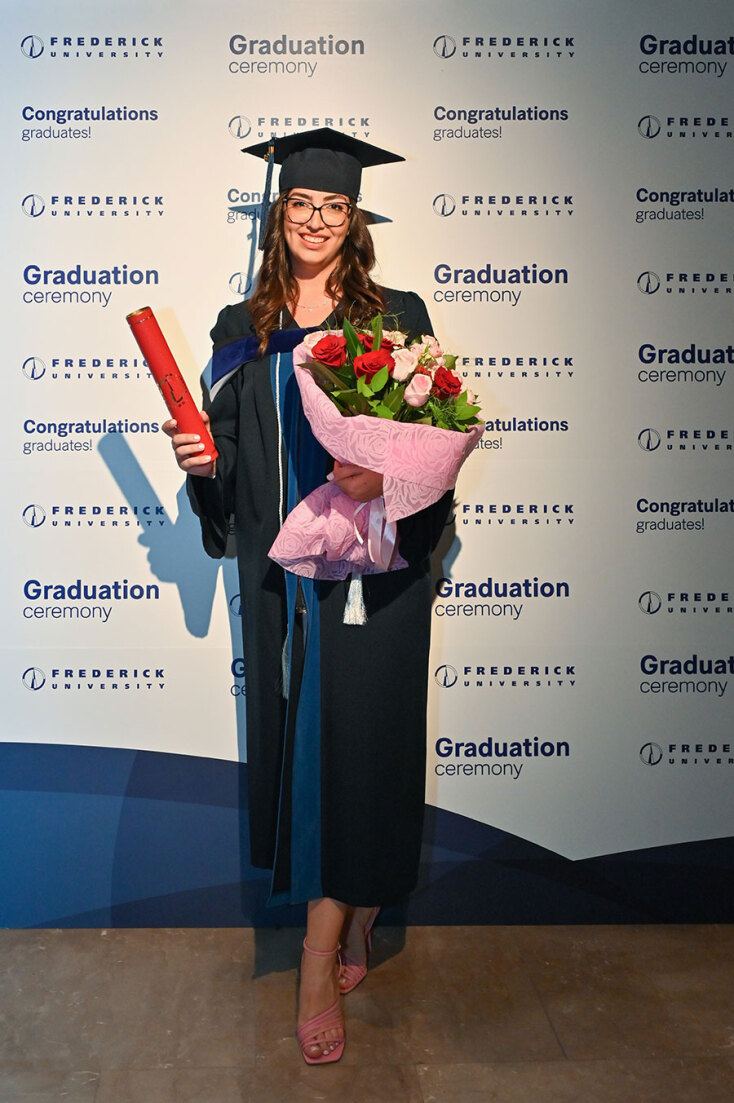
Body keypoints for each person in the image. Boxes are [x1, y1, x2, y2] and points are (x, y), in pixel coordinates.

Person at [163, 129, 452, 1064]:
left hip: (375, 576)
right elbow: (229, 465)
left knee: (365, 753)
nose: (317, 221)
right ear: (279, 214)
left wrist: (388, 480)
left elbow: (435, 443)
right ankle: (354, 904)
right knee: (311, 758)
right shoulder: (238, 327)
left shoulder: (396, 315)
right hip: (285, 581)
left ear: (353, 219)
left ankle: (318, 958)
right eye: (301, 205)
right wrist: (203, 465)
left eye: (334, 207)